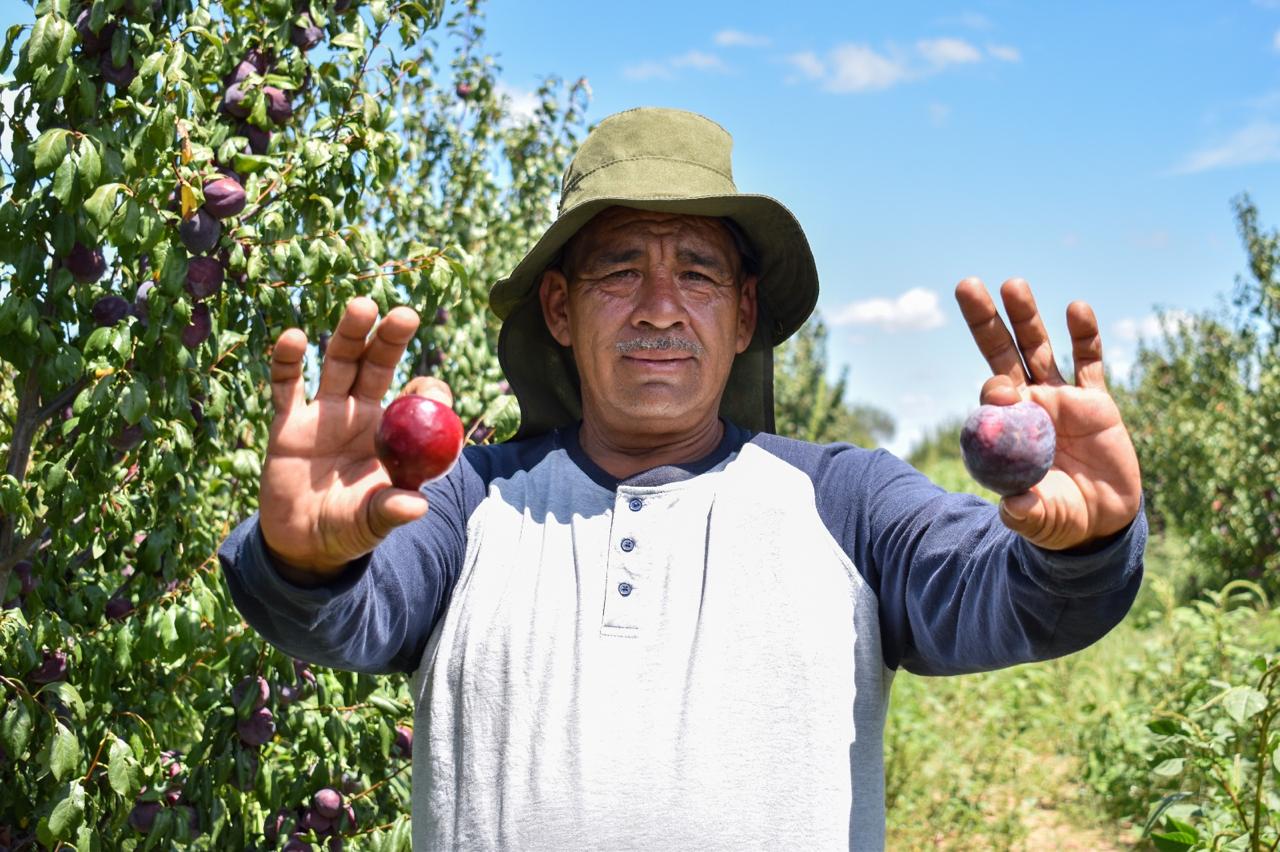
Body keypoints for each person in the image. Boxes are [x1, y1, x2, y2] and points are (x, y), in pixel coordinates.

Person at [219, 107, 1146, 851]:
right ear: (559, 308)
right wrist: (305, 562)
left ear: (744, 315)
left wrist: (1088, 547)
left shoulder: (846, 503)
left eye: (697, 272)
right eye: (620, 269)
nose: (660, 307)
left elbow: (1010, 599)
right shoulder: (469, 501)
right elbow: (349, 614)